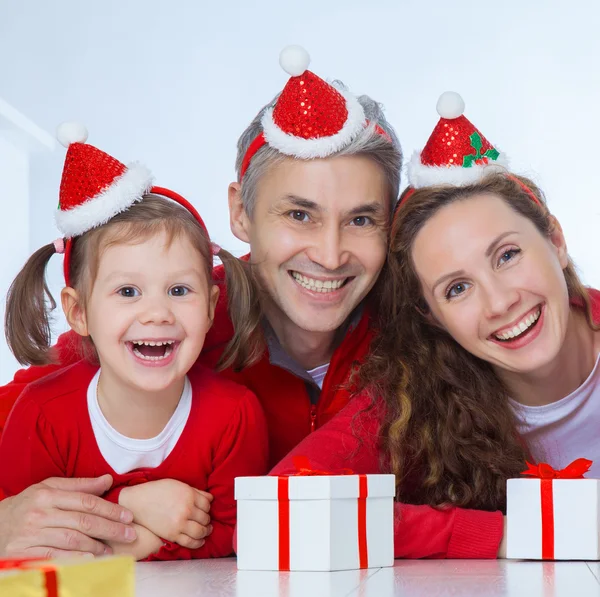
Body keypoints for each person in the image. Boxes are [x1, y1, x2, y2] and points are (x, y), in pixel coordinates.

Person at [0, 46, 403, 558]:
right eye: (299, 215)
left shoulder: (415, 348)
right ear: (240, 212)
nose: (328, 254)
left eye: (362, 220)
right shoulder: (162, 330)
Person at [272, 92, 600, 559]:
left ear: (556, 241)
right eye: (457, 289)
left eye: (507, 256)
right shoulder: (416, 399)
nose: (501, 302)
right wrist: (501, 535)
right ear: (432, 316)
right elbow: (284, 507)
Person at [0, 123, 268, 560]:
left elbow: (234, 535)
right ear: (78, 312)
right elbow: (24, 533)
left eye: (179, 291)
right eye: (128, 292)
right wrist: (130, 505)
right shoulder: (41, 415)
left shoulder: (234, 415)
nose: (157, 313)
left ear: (210, 306)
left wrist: (116, 547)